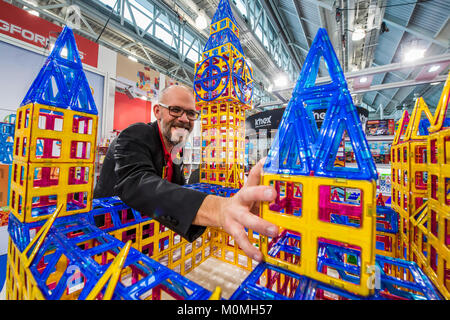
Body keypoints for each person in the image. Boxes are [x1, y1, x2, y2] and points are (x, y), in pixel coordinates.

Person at [94, 85, 279, 261]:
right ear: (157, 112)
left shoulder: (176, 150)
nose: (184, 119)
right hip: (108, 237)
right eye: (175, 110)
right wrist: (219, 209)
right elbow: (139, 183)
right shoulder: (134, 134)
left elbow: (178, 189)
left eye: (191, 113)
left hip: (147, 238)